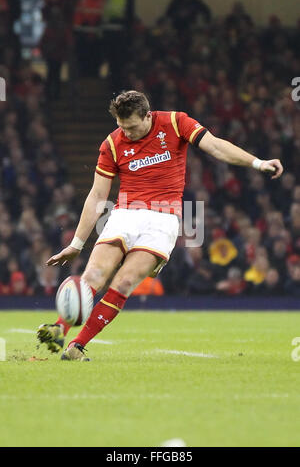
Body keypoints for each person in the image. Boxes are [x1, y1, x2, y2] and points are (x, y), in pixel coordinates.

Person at [37, 90, 283, 361]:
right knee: (94, 274)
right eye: (121, 127)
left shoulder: (176, 123)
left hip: (163, 219)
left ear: (147, 115)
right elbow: (97, 195)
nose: (126, 133)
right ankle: (58, 329)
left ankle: (77, 346)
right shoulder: (112, 143)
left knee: (126, 281)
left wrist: (257, 163)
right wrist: (76, 244)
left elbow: (214, 146)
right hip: (124, 214)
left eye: (131, 127)